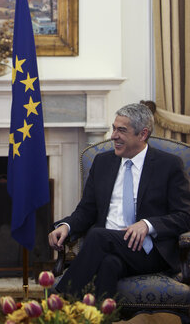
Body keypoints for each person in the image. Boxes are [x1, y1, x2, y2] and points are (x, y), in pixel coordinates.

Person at [48, 102, 190, 300]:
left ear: (142, 134)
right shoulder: (102, 162)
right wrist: (67, 226)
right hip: (108, 246)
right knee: (109, 264)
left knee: (97, 236)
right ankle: (100, 318)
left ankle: (60, 300)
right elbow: (86, 210)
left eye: (121, 130)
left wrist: (148, 225)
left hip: (148, 251)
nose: (113, 135)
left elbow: (185, 216)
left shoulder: (169, 165)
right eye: (114, 128)